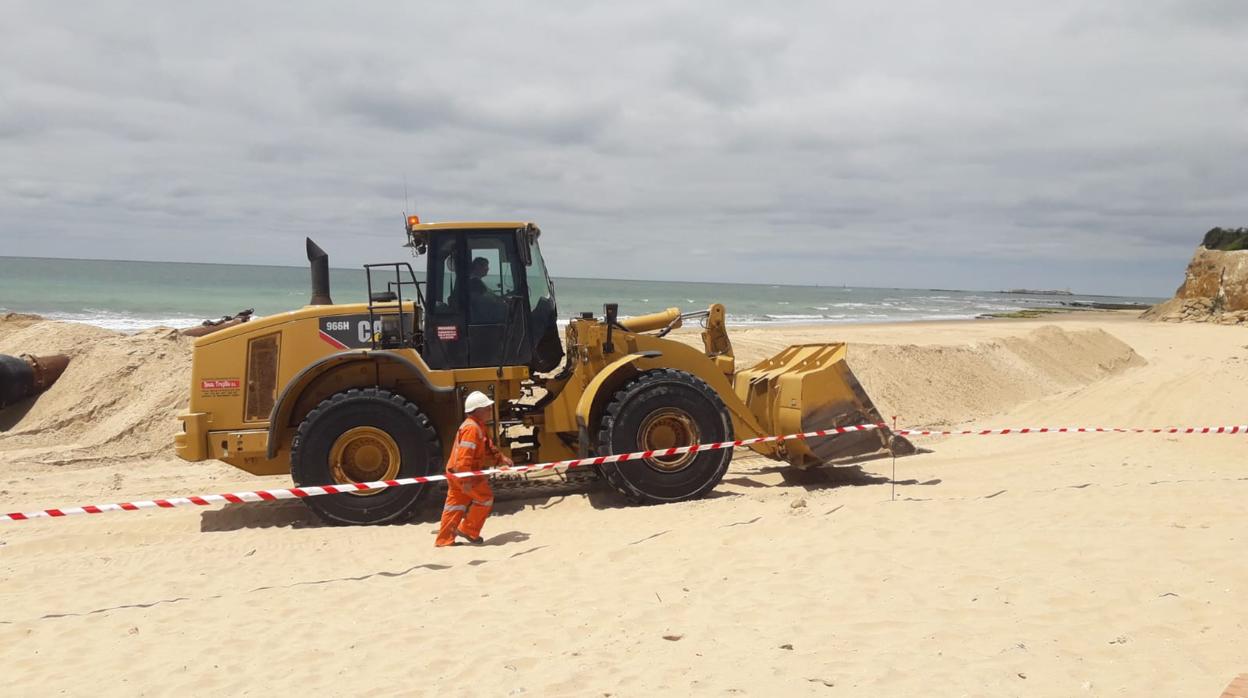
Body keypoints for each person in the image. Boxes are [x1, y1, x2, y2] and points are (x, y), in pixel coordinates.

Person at [436, 390, 514, 547]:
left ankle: (444, 540)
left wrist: (501, 459)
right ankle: (468, 530)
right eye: (486, 408)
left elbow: (487, 448)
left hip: (455, 473)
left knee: (455, 505)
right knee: (485, 499)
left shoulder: (477, 426)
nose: (490, 410)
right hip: (464, 474)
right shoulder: (472, 429)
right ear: (477, 410)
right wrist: (466, 480)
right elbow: (464, 457)